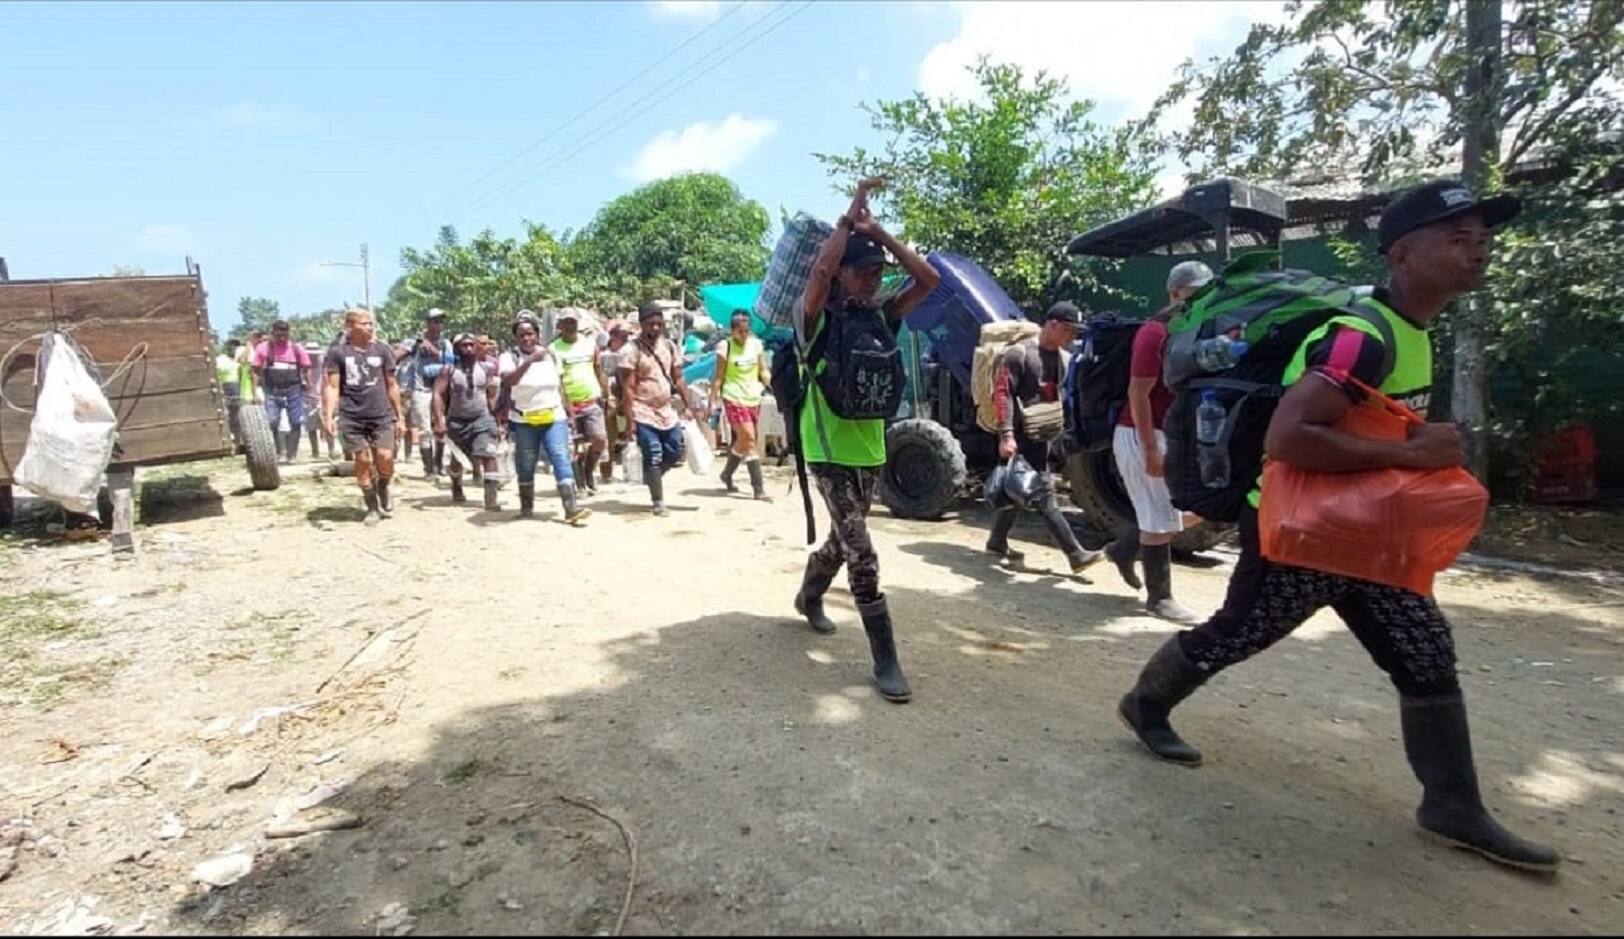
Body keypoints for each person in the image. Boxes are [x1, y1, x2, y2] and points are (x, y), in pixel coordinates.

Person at [1116, 181, 1558, 871]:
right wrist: (1412, 453)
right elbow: (1290, 437)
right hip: (1300, 530)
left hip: (1363, 531)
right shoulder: (1363, 337)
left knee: (1425, 651)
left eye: (1481, 237)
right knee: (1239, 630)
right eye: (1458, 237)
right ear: (1403, 254)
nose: (1478, 249)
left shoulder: (1413, 329)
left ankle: (1452, 803)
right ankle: (1144, 703)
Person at [792, 177, 940, 703]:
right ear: (842, 277)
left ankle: (809, 592)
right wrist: (846, 220)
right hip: (827, 448)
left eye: (879, 271)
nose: (874, 278)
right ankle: (886, 660)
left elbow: (928, 281)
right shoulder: (812, 317)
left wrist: (880, 233)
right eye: (864, 270)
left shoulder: (882, 316)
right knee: (863, 551)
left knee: (841, 538)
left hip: (870, 447)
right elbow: (819, 271)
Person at [1104, 262, 1213, 622]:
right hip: (1141, 431)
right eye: (1196, 291)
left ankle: (1124, 547)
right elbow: (1138, 392)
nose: (1204, 297)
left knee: (1200, 507)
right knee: (1160, 520)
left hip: (1172, 432)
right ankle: (1159, 598)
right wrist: (1150, 447)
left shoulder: (1195, 330)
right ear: (1175, 293)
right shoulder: (1155, 333)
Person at [987, 301, 1103, 574]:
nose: (1071, 337)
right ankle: (1075, 554)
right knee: (1043, 494)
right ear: (1051, 324)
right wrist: (1006, 436)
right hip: (1019, 436)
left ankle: (996, 541)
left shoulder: (1061, 359)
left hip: (1043, 435)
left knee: (1015, 488)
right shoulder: (1019, 355)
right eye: (1067, 330)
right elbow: (1002, 394)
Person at [500, 313, 590, 524]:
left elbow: (561, 386)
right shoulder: (509, 358)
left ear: (537, 335)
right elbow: (508, 381)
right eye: (521, 335)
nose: (526, 339)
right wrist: (529, 361)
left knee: (560, 456)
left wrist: (571, 414)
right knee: (526, 461)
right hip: (524, 420)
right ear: (516, 338)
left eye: (530, 334)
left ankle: (571, 508)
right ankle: (526, 507)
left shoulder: (552, 356)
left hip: (553, 415)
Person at [322, 308, 404, 526]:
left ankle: (384, 485)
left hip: (381, 414)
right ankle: (372, 507)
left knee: (385, 458)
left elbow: (392, 384)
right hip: (352, 415)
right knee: (362, 460)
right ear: (350, 327)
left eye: (370, 323)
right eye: (364, 323)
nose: (369, 327)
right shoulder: (338, 353)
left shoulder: (382, 351)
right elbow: (332, 386)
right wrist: (328, 416)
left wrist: (400, 416)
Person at [619, 303, 696, 517]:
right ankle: (658, 501)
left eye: (658, 324)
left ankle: (651, 477)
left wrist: (689, 405)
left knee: (675, 451)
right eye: (650, 324)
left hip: (666, 410)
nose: (655, 328)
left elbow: (679, 377)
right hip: (642, 409)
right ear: (641, 324)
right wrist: (630, 419)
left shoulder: (670, 347)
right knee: (653, 453)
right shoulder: (630, 351)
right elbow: (628, 387)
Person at [433, 333, 504, 510]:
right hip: (457, 421)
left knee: (489, 455)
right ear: (457, 349)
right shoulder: (448, 370)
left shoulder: (486, 368)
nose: (469, 349)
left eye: (472, 345)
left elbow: (490, 396)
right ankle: (456, 485)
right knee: (458, 459)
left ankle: (491, 498)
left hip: (482, 419)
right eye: (464, 346)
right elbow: (437, 394)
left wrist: (499, 421)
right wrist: (439, 421)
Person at [710, 310, 773, 501]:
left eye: (747, 332)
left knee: (744, 441)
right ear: (733, 330)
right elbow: (719, 377)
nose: (744, 336)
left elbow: (762, 370)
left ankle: (727, 474)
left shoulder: (756, 345)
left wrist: (772, 384)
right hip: (733, 397)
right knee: (749, 438)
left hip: (753, 396)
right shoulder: (725, 347)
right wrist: (712, 401)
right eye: (740, 332)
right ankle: (758, 488)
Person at [551, 309, 610, 496]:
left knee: (599, 440)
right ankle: (580, 484)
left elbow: (598, 369)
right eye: (566, 323)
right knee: (574, 447)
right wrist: (565, 405)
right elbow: (557, 380)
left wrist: (606, 393)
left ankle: (588, 471)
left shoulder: (589, 344)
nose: (570, 326)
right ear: (560, 326)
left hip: (591, 400)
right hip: (569, 403)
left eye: (573, 322)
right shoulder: (554, 349)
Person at [251, 320, 313, 464]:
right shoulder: (264, 348)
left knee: (296, 421)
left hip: (294, 389)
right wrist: (255, 391)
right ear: (273, 333)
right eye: (278, 335)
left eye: (285, 335)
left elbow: (306, 369)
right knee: (272, 421)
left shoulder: (297, 349)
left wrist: (309, 388)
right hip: (272, 389)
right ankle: (278, 452)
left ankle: (292, 454)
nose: (282, 338)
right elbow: (255, 369)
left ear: (289, 333)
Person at [407, 309, 453, 478]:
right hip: (421, 390)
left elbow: (450, 363)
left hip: (441, 390)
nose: (439, 324)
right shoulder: (416, 342)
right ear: (427, 323)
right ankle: (428, 468)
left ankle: (439, 465)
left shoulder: (445, 344)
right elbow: (400, 353)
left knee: (440, 427)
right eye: (435, 321)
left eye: (441, 321)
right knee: (425, 430)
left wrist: (435, 352)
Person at [599, 319, 634, 484]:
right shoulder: (604, 356)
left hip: (627, 397)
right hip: (610, 398)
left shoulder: (631, 353)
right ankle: (607, 470)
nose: (626, 340)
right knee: (609, 436)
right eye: (623, 336)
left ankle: (633, 470)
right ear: (613, 337)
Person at [303, 341, 335, 460]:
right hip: (308, 398)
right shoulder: (303, 367)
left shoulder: (323, 365)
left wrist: (324, 396)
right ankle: (315, 451)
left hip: (323, 397)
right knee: (311, 427)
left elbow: (327, 382)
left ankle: (331, 450)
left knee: (327, 423)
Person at [236, 330, 263, 403]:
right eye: (255, 337)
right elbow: (242, 361)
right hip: (246, 385)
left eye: (259, 337)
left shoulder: (263, 349)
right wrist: (248, 348)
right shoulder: (242, 349)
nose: (258, 340)